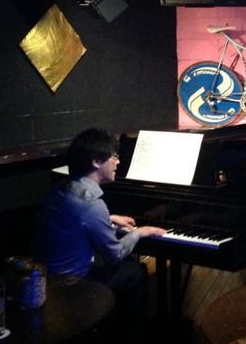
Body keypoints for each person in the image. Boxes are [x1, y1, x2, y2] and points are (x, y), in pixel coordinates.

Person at [35, 128, 166, 333]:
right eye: (114, 156)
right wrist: (140, 232)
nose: (118, 162)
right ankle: (132, 335)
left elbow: (78, 218)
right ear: (96, 161)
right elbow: (115, 254)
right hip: (72, 282)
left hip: (48, 274)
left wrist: (109, 218)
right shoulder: (92, 205)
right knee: (135, 271)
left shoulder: (62, 188)